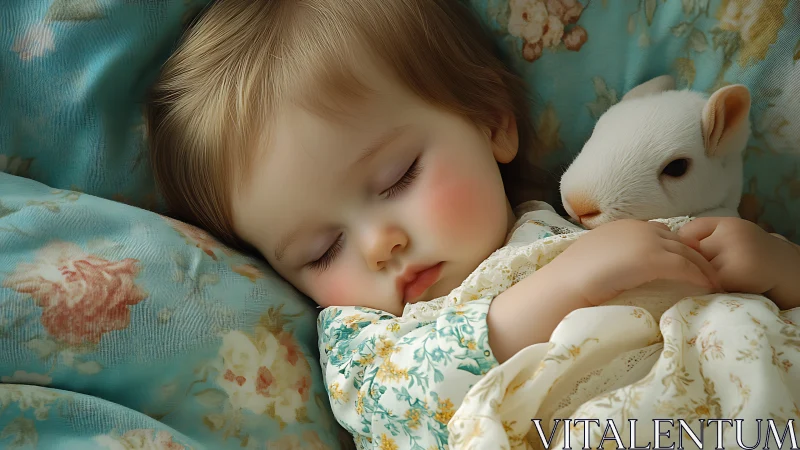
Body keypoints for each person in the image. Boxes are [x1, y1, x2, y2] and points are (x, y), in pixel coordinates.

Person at [144, 0, 800, 448]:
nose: (379, 244)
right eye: (322, 250)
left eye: (398, 177)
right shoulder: (366, 340)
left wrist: (774, 266)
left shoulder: (587, 220)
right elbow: (398, 415)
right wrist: (555, 294)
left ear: (492, 121)